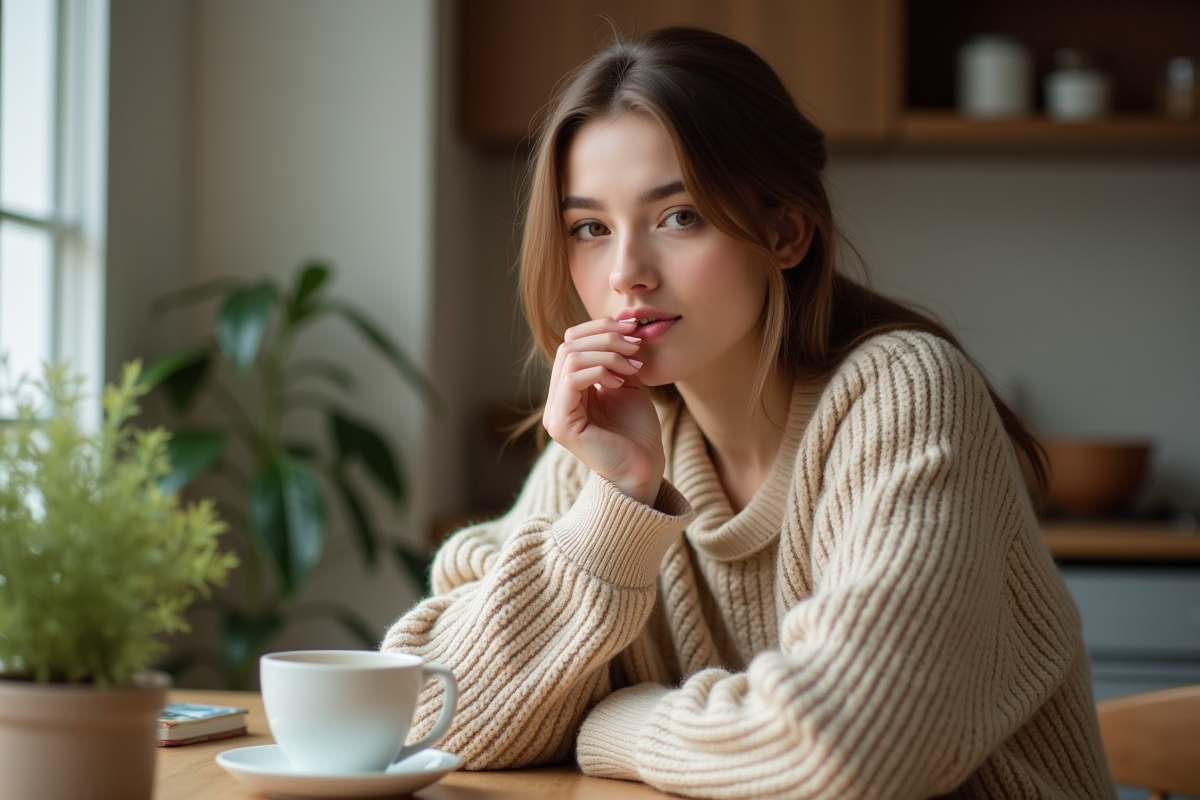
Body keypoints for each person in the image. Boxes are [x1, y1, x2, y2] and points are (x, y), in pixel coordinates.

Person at [382, 26, 1114, 800]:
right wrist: (620, 499)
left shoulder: (901, 393)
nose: (626, 274)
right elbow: (431, 709)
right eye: (590, 229)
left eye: (679, 216)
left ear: (785, 232)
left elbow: (853, 749)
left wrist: (615, 723)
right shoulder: (616, 437)